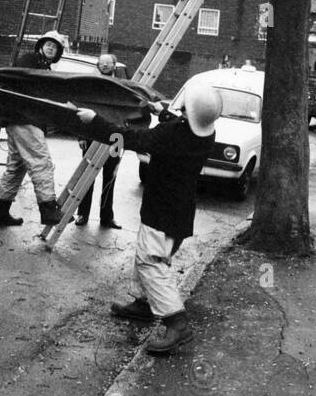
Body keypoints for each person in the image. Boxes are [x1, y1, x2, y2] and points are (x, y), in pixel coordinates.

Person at [75, 77, 222, 355]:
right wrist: (161, 112)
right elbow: (179, 124)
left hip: (162, 210)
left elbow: (129, 138)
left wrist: (95, 120)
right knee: (151, 255)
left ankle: (176, 323)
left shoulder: (172, 136)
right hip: (179, 211)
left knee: (150, 261)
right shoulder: (206, 132)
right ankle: (144, 304)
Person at [0, 31, 69, 228]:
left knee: (16, 168)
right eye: (48, 44)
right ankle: (48, 209)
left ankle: (0, 212)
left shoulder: (45, 67)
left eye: (55, 46)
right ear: (41, 46)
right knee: (41, 161)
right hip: (25, 118)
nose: (51, 48)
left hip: (19, 119)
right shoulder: (29, 60)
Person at [75, 52, 123, 230]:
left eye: (107, 63)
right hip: (91, 136)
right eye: (101, 63)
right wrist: (81, 136)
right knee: (87, 177)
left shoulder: (121, 86)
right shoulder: (91, 86)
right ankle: (82, 214)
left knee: (110, 178)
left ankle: (106, 218)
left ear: (114, 65)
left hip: (115, 138)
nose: (104, 65)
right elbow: (80, 111)